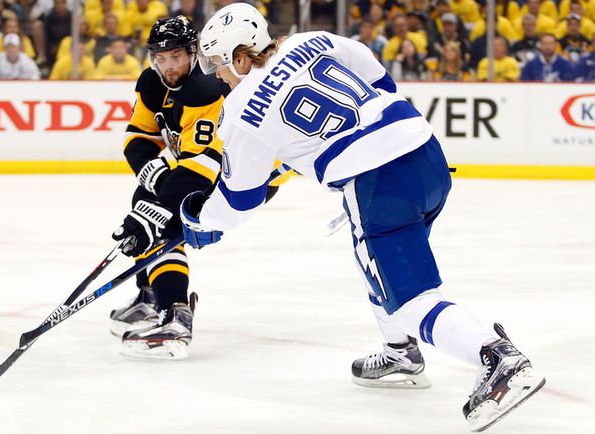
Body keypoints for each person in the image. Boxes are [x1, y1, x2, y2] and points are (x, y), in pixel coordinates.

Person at [179, 3, 545, 431]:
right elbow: (375, 76)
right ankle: (400, 352)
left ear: (241, 57)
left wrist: (203, 223)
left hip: (379, 185)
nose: (218, 75)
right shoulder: (309, 40)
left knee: (410, 300)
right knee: (376, 266)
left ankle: (497, 359)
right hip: (422, 151)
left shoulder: (242, 108)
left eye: (219, 63)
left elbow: (240, 200)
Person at [107, 16, 229, 361]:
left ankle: (176, 315)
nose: (168, 66)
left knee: (164, 222)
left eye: (175, 56)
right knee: (144, 203)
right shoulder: (151, 83)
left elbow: (204, 164)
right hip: (196, 167)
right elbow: (138, 137)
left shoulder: (206, 89)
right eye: (161, 58)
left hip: (238, 174)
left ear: (192, 53)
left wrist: (159, 208)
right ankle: (151, 294)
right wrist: (154, 177)